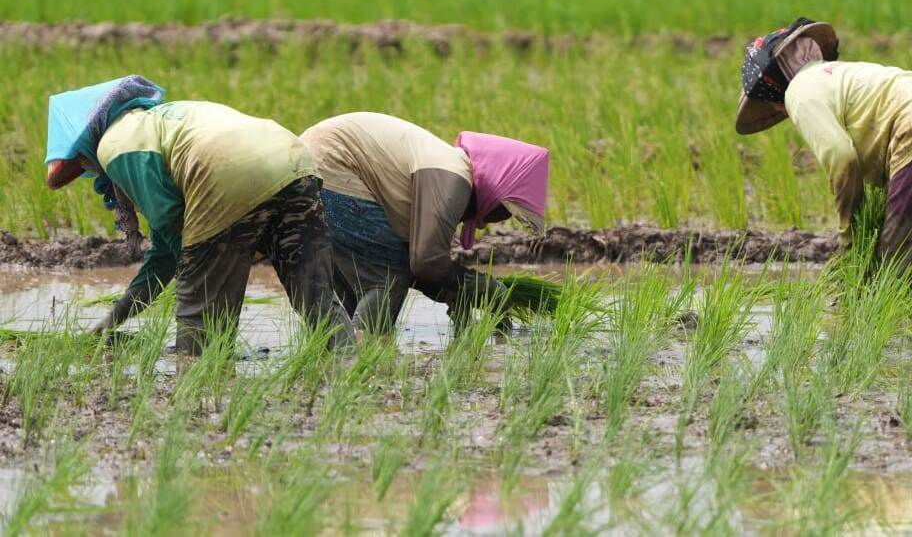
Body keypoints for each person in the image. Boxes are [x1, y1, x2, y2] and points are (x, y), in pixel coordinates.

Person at [45, 76, 356, 353]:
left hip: (226, 171)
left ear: (85, 141)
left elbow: (169, 233)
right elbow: (167, 250)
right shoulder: (169, 116)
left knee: (199, 319)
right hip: (295, 160)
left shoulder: (115, 144)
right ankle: (349, 368)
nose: (88, 169)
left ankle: (200, 387)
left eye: (83, 164)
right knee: (315, 294)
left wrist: (193, 277)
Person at [735, 17, 912, 292]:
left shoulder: (799, 91)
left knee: (894, 288)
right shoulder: (847, 73)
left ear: (774, 91)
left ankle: (897, 336)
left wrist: (852, 236)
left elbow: (842, 159)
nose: (779, 111)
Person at [299, 112, 550, 334]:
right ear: (495, 191)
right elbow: (426, 262)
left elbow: (417, 266)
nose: (482, 225)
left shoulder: (441, 171)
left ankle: (339, 363)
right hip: (332, 163)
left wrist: (453, 291)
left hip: (306, 166)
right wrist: (483, 287)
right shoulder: (453, 175)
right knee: (385, 277)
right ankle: (362, 354)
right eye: (499, 211)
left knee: (358, 294)